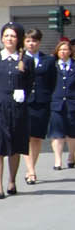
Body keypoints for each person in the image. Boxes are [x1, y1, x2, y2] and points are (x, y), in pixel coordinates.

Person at [0, 22, 33, 198]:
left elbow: (30, 82)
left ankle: (12, 181)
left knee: (15, 144)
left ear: (18, 39)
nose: (9, 39)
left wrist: (21, 94)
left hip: (17, 107)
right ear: (2, 38)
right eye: (6, 35)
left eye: (12, 36)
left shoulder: (26, 60)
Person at [22, 28, 54, 185]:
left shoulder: (48, 60)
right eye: (28, 40)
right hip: (24, 103)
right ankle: (30, 170)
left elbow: (52, 82)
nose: (31, 44)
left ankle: (31, 167)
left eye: (34, 41)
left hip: (41, 102)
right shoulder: (19, 59)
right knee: (26, 137)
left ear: (39, 42)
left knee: (37, 138)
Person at [48, 37, 75, 171]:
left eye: (66, 49)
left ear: (70, 51)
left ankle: (71, 156)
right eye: (61, 50)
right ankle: (57, 160)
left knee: (72, 133)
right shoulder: (52, 66)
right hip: (56, 104)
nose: (63, 52)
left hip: (72, 104)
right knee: (57, 133)